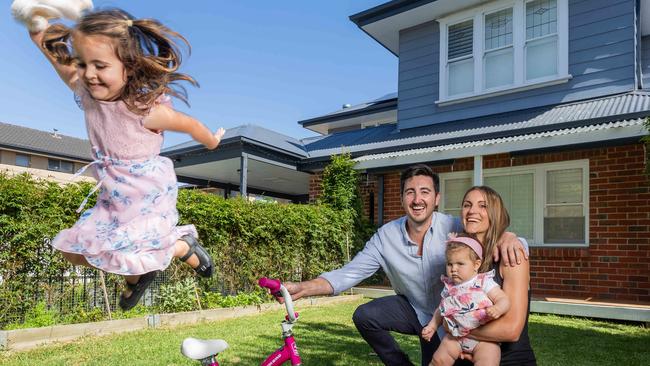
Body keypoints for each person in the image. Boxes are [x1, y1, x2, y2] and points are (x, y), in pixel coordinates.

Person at [27, 8, 225, 310]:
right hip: (113, 194)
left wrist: (212, 141)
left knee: (131, 248)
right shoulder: (87, 92)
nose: (89, 73)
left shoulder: (146, 110)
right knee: (74, 252)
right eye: (83, 63)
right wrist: (36, 26)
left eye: (100, 65)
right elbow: (55, 55)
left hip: (146, 193)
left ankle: (182, 247)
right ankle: (140, 278)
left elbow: (190, 125)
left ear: (129, 68)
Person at [281, 165, 528, 366]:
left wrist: (510, 237)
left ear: (437, 198)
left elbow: (489, 224)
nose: (417, 199)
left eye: (425, 192)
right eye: (410, 192)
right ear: (401, 198)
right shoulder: (385, 236)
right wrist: (304, 287)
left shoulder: (455, 227)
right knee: (365, 315)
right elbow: (349, 273)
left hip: (449, 316)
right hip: (417, 311)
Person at [454, 186, 536, 365]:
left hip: (511, 360)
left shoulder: (513, 255)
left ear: (495, 214)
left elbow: (511, 330)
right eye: (467, 205)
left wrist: (457, 327)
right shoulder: (459, 257)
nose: (472, 211)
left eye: (482, 206)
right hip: (467, 357)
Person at [421, 233, 510, 366]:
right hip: (455, 337)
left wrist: (498, 308)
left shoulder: (483, 282)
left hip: (485, 339)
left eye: (460, 264)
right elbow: (441, 309)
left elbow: (503, 299)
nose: (453, 269)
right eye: (450, 264)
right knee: (438, 360)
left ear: (476, 264)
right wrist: (432, 326)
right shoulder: (449, 286)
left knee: (487, 362)